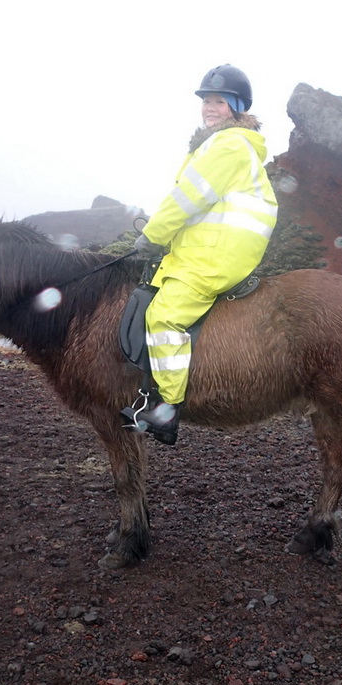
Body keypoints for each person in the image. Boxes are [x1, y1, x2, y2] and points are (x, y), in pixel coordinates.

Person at [121, 64, 279, 445]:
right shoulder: (219, 144)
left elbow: (188, 198)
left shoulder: (228, 145)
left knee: (164, 317)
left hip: (217, 254)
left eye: (219, 101)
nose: (210, 107)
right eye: (207, 100)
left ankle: (167, 410)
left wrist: (153, 235)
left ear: (237, 108)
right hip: (205, 249)